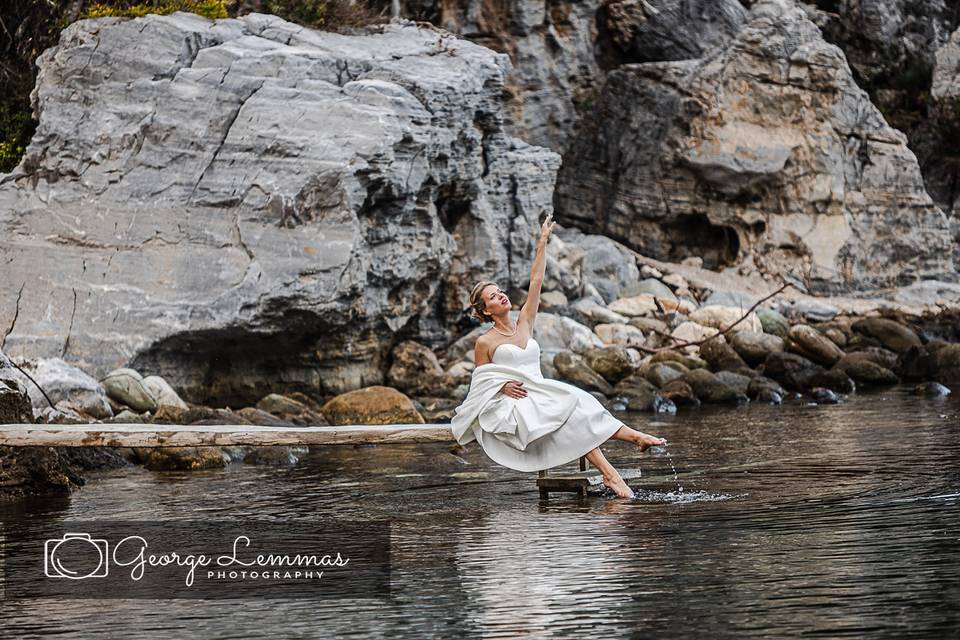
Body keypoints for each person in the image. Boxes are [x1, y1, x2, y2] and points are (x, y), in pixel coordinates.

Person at [450, 212, 667, 499]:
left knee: (583, 403)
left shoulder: (524, 321)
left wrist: (542, 242)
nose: (501, 296)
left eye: (500, 291)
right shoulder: (484, 342)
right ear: (486, 310)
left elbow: (536, 280)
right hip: (517, 402)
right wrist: (501, 386)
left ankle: (633, 443)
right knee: (571, 413)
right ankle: (617, 465)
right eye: (493, 297)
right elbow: (480, 383)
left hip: (542, 391)